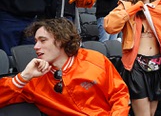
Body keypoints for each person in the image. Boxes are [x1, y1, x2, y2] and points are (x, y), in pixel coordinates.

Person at [0, 18, 130, 115]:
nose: (35, 47)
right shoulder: (34, 80)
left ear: (61, 39)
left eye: (43, 40)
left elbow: (119, 95)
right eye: (35, 41)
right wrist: (23, 77)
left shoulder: (94, 59)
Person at [104, 0, 161, 116]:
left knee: (151, 113)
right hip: (136, 65)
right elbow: (109, 25)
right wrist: (134, 9)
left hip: (157, 65)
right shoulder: (126, 6)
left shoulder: (160, 7)